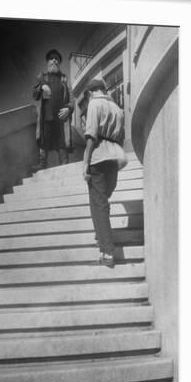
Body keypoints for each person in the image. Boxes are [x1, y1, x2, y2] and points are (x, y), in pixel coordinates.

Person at [82, 77, 127, 268]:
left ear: (91, 92)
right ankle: (101, 234)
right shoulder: (117, 109)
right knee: (103, 201)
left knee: (98, 204)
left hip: (99, 157)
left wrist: (85, 162)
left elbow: (91, 135)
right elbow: (122, 136)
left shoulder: (94, 104)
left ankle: (107, 252)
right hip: (114, 158)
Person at [32, 49, 74, 170]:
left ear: (59, 63)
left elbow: (72, 99)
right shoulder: (42, 77)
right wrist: (41, 87)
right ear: (47, 62)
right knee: (44, 139)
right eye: (51, 58)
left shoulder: (64, 79)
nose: (54, 60)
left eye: (57, 59)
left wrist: (69, 109)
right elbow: (35, 95)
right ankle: (42, 163)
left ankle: (64, 164)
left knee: (62, 142)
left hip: (61, 117)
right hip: (46, 115)